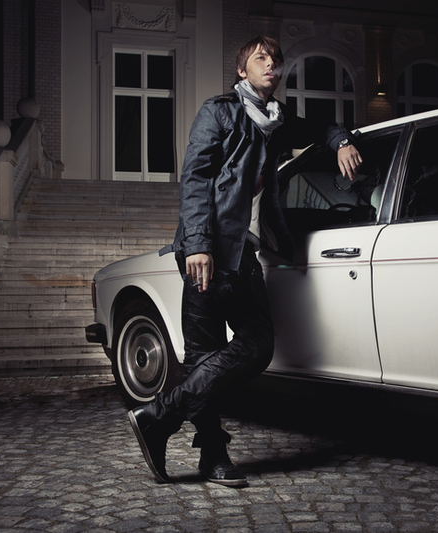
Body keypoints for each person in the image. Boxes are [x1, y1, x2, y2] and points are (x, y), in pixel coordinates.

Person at [128, 36, 363, 486]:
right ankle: (213, 457)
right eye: (261, 58)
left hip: (246, 251)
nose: (271, 64)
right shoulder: (219, 112)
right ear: (242, 71)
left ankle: (157, 416)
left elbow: (320, 127)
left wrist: (340, 141)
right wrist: (198, 244)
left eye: (275, 60)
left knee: (256, 345)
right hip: (209, 249)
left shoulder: (277, 121)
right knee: (204, 354)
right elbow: (195, 179)